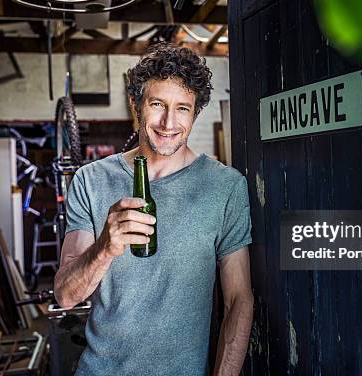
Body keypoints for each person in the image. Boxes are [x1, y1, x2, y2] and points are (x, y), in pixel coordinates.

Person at [54, 42, 254, 376]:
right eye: (157, 104)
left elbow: (239, 300)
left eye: (183, 109)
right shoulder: (90, 180)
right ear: (136, 104)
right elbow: (65, 296)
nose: (167, 122)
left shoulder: (225, 187)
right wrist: (105, 247)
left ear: (196, 113)